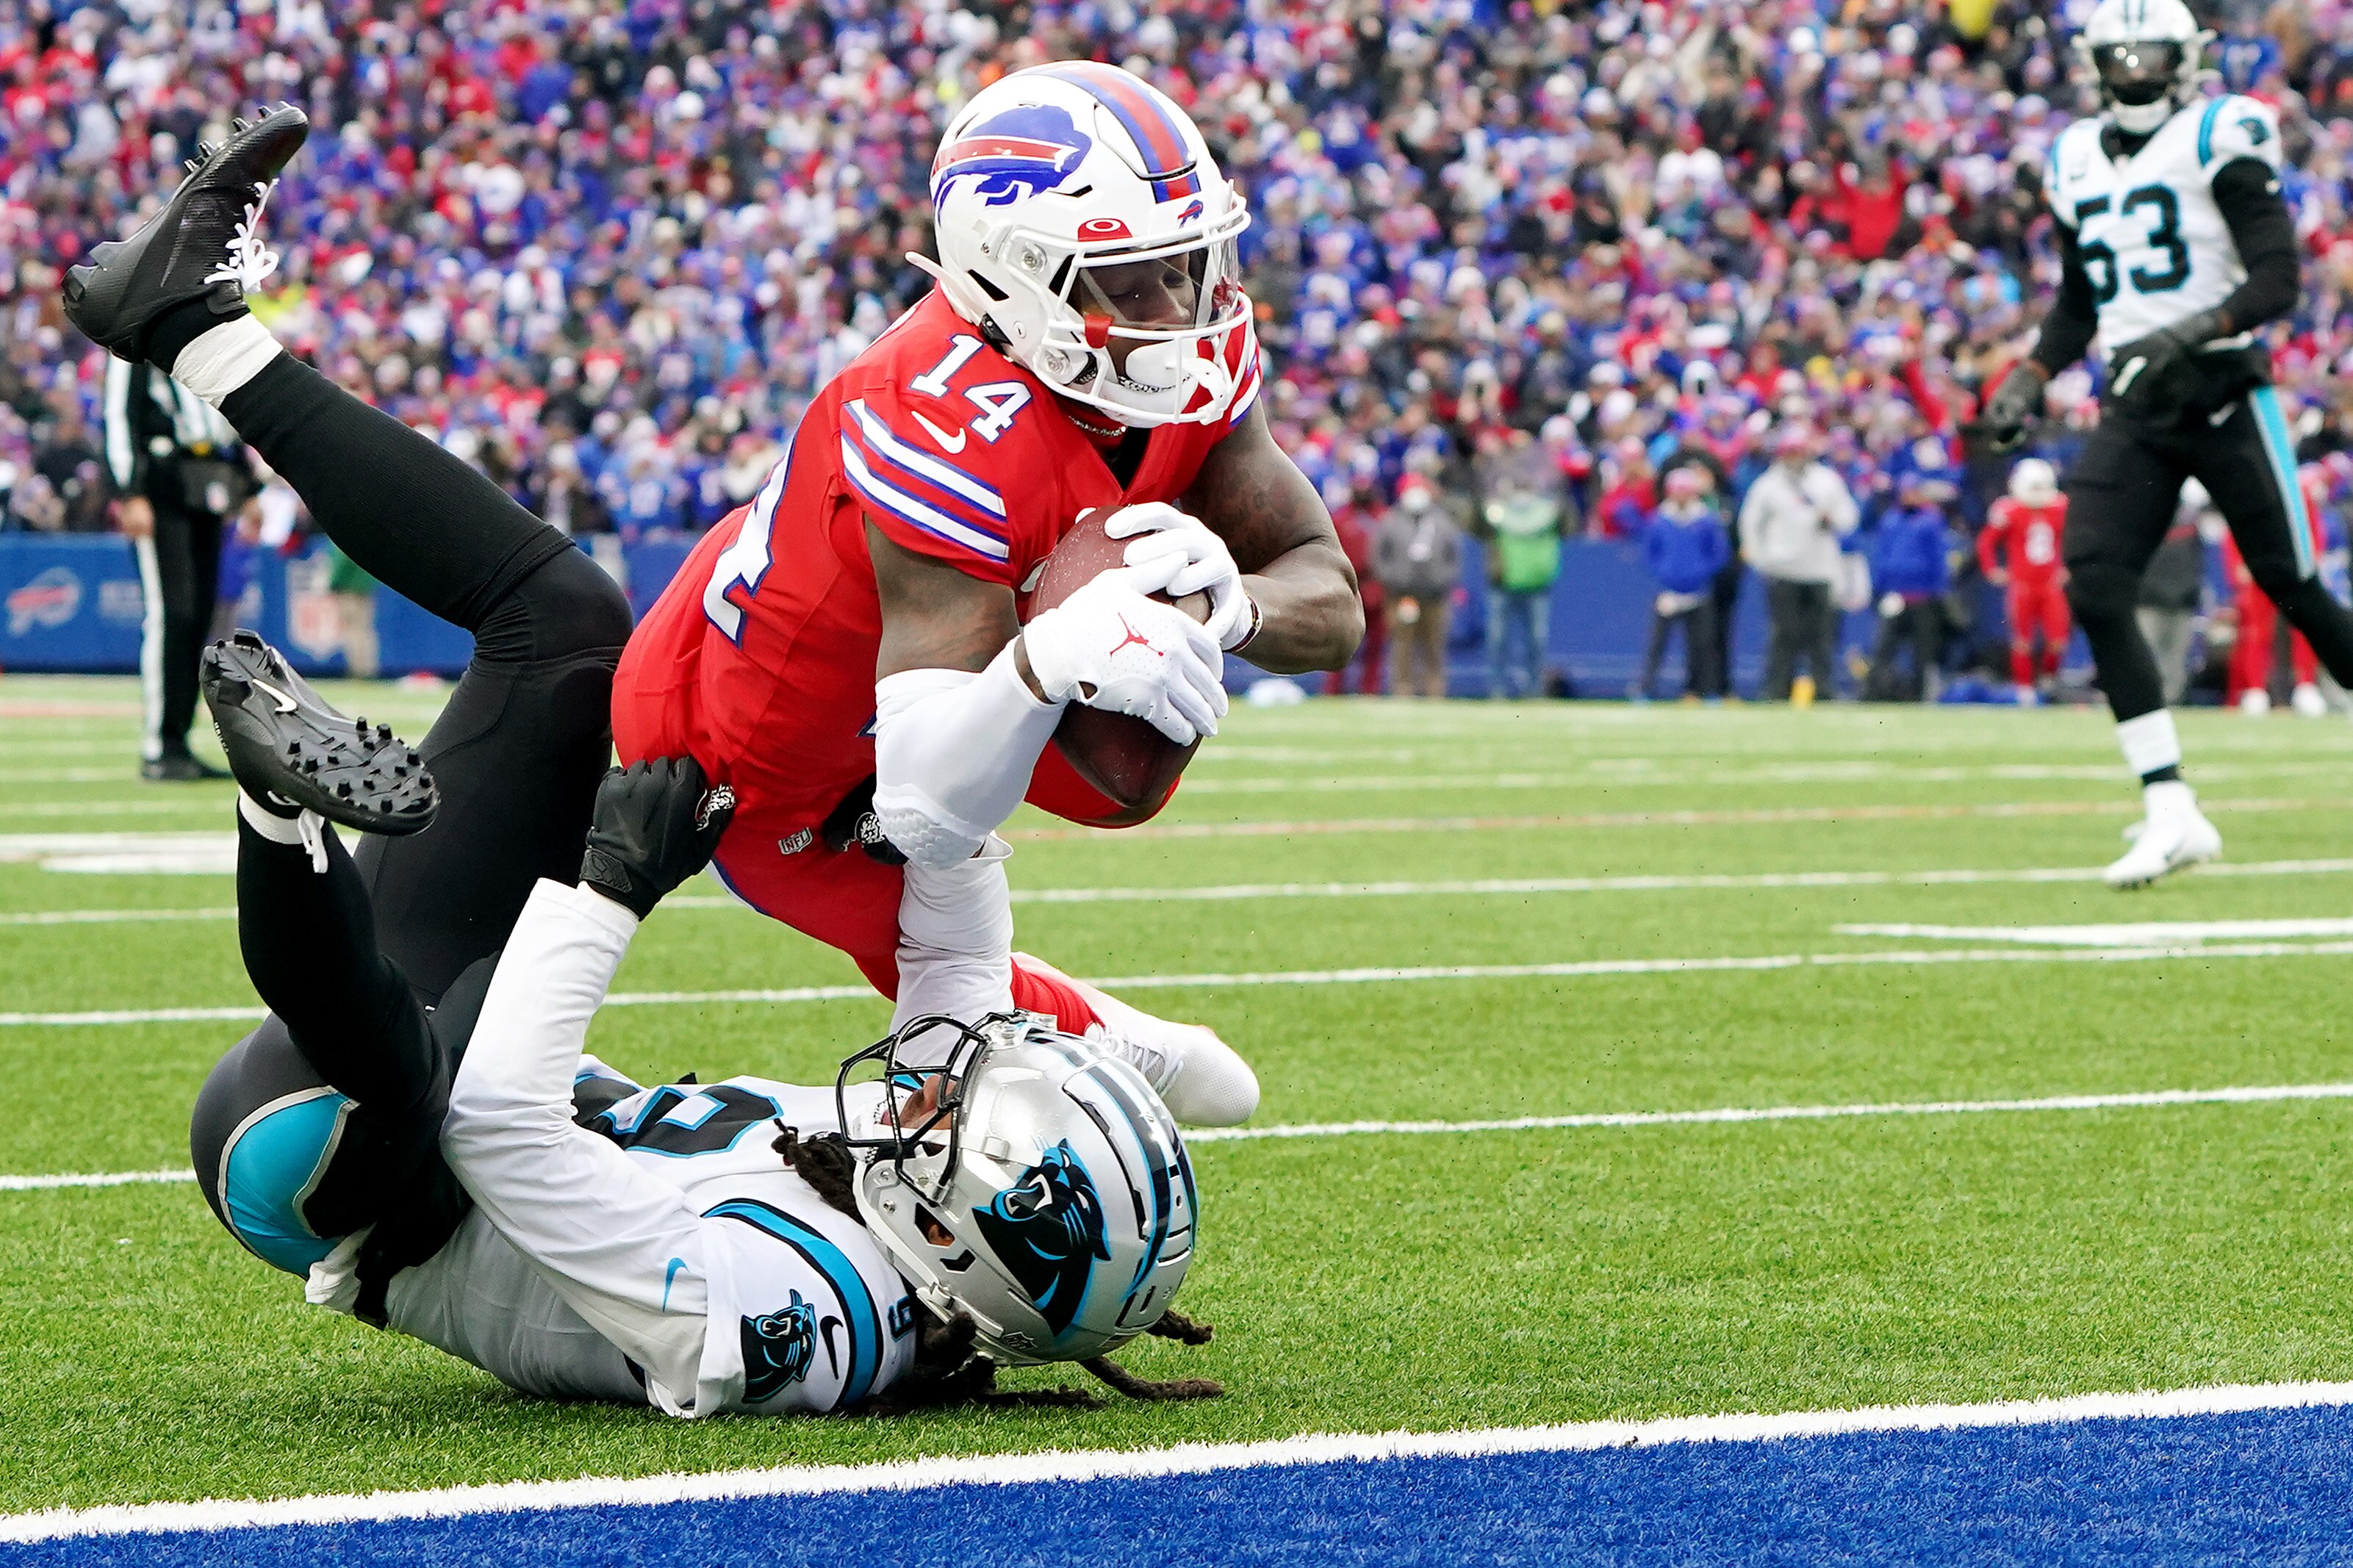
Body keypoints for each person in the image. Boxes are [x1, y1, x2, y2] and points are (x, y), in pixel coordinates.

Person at [66, 107, 1210, 1419]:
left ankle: (278, 810)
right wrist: (944, 795)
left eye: (956, 1127)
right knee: (566, 627)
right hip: (465, 1035)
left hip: (354, 1178)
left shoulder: (797, 1320)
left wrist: (612, 885)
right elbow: (951, 977)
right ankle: (193, 325)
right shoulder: (938, 1223)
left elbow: (500, 1130)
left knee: (376, 1088)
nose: (932, 1096)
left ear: (951, 1240)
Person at [612, 63, 1361, 1133]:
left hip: (934, 683)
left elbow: (1329, 594)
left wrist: (1233, 603)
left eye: (1188, 266)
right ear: (1012, 279)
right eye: (1133, 282)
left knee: (1166, 1040)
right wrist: (1049, 660)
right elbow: (920, 802)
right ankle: (1059, 1029)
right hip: (764, 758)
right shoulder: (935, 414)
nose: (1179, 311)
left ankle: (1028, 1026)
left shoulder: (1194, 355)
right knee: (991, 1044)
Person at [1979, 0, 2353, 886]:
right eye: (2122, 56)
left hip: (2222, 389)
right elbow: (2081, 301)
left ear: (2185, 60)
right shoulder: (2072, 156)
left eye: (2152, 55)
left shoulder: (2220, 134)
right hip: (2138, 404)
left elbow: (2276, 279)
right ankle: (2168, 807)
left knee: (2291, 584)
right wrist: (2031, 374)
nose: (2137, 70)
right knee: (2095, 580)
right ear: (2092, 62)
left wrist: (2187, 333)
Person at [102, 273, 254, 780]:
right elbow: (119, 418)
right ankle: (159, 743)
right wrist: (130, 491)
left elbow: (223, 416)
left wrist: (244, 484)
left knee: (200, 616)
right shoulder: (132, 340)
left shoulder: (203, 338)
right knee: (173, 611)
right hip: (163, 487)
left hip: (204, 483)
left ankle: (179, 741)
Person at [1739, 422, 1860, 702]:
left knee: (1822, 638)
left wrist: (1833, 519)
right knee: (1784, 636)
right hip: (1784, 571)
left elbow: (1849, 517)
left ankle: (1824, 690)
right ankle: (1777, 691)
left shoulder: (1826, 481)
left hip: (1820, 570)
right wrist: (1761, 561)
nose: (1794, 458)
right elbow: (1750, 526)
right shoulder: (1768, 486)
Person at [1474, 426, 1567, 700]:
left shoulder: (1548, 491)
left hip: (1536, 580)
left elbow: (1567, 524)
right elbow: (1478, 526)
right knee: (1498, 640)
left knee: (1536, 640)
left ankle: (1534, 690)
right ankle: (1497, 691)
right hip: (1502, 577)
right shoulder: (1495, 487)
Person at [1977, 458, 2072, 705]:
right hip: (2023, 584)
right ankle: (2025, 691)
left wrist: (2067, 567)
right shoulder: (2010, 510)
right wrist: (1991, 570)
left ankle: (2049, 680)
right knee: (2022, 641)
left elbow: (2073, 541)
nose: (2039, 494)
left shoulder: (2059, 507)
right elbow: (1987, 541)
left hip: (2050, 583)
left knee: (2058, 639)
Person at [1637, 468, 1728, 700]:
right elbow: (1651, 553)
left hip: (1698, 591)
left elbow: (1718, 553)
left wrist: (1700, 573)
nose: (1682, 496)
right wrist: (1665, 575)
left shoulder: (1706, 520)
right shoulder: (1659, 520)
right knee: (1657, 645)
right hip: (1668, 591)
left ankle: (1708, 691)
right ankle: (1645, 690)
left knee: (1704, 646)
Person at [1867, 469, 1956, 701]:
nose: (1910, 496)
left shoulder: (1931, 520)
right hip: (1895, 597)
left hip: (1922, 598)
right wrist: (1879, 588)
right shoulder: (1891, 520)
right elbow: (1883, 557)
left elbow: (1938, 558)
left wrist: (1939, 592)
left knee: (1922, 653)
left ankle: (1920, 696)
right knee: (1884, 650)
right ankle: (1876, 694)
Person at [1373, 472, 1461, 699]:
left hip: (1435, 595)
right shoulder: (1391, 521)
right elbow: (1379, 556)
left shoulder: (1442, 521)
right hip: (1402, 595)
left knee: (1434, 645)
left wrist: (1443, 579)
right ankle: (1403, 690)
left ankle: (1435, 691)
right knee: (1403, 644)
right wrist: (1393, 579)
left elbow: (1454, 556)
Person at [2136, 481, 2211, 707]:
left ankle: (2171, 703)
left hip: (2179, 601)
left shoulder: (2192, 525)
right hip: (2151, 600)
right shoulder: (2145, 518)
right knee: (2146, 657)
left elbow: (2197, 564)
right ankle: (2147, 703)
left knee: (2175, 661)